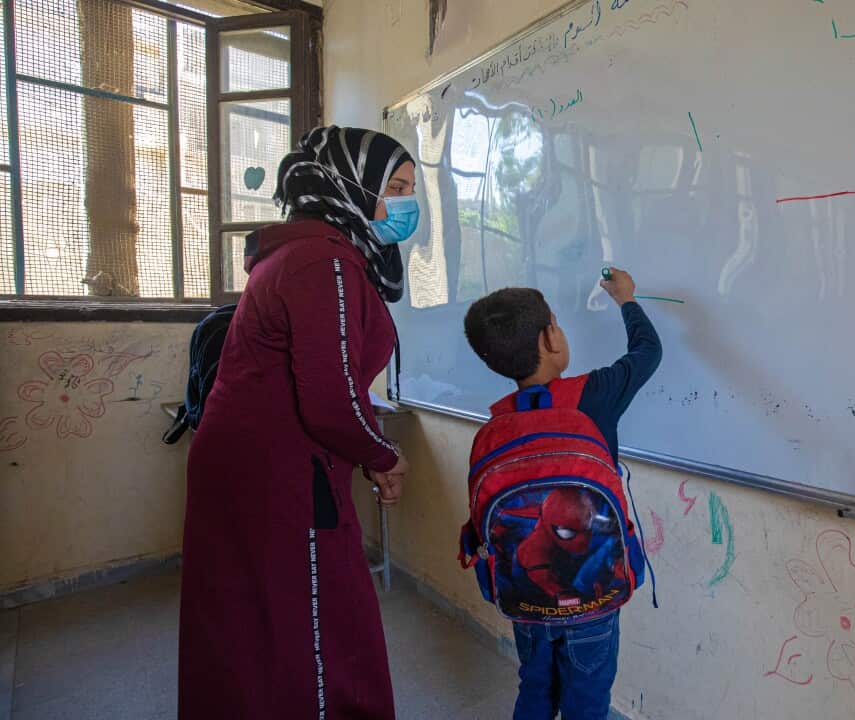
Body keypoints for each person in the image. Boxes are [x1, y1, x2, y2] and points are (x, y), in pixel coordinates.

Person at [179, 126, 418, 720]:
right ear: (349, 185)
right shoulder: (324, 261)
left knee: (252, 625)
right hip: (280, 473)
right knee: (317, 630)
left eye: (412, 189)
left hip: (258, 465)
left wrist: (366, 450)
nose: (408, 204)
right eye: (395, 187)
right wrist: (385, 455)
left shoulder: (300, 252)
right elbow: (331, 394)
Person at [462, 268, 662, 720]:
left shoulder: (494, 429)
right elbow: (648, 352)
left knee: (535, 687)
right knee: (587, 698)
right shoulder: (594, 395)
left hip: (525, 597)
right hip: (594, 596)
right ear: (551, 339)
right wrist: (626, 299)